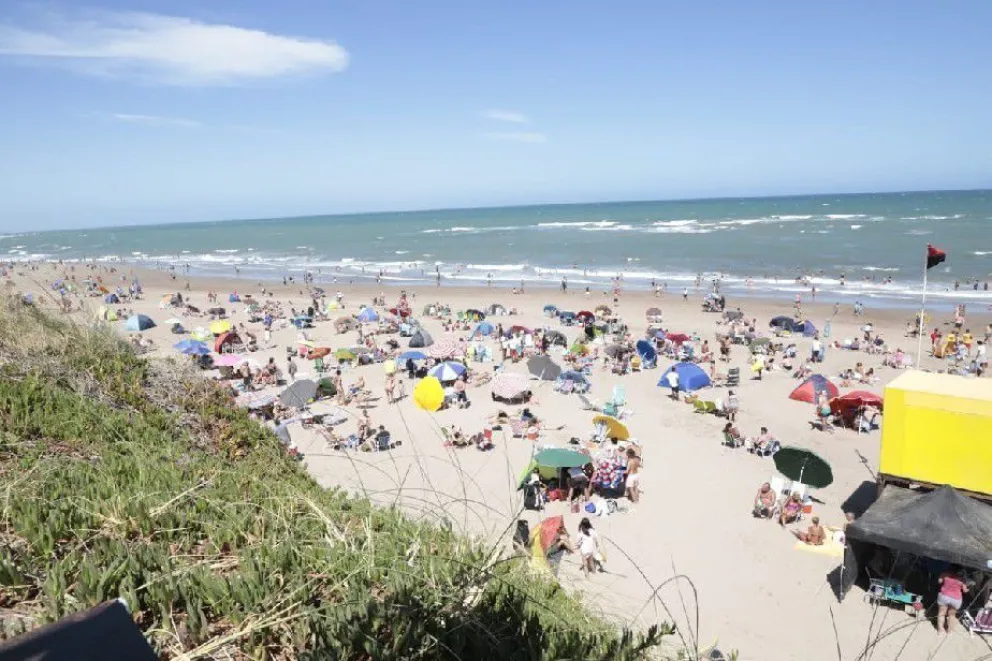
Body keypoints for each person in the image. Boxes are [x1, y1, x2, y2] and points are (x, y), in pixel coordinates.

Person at [937, 567, 969, 635]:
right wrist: (968, 588)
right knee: (952, 615)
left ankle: (940, 630)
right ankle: (949, 631)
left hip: (944, 596)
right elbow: (965, 590)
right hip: (956, 599)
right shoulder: (962, 578)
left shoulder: (945, 573)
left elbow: (939, 581)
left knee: (941, 613)